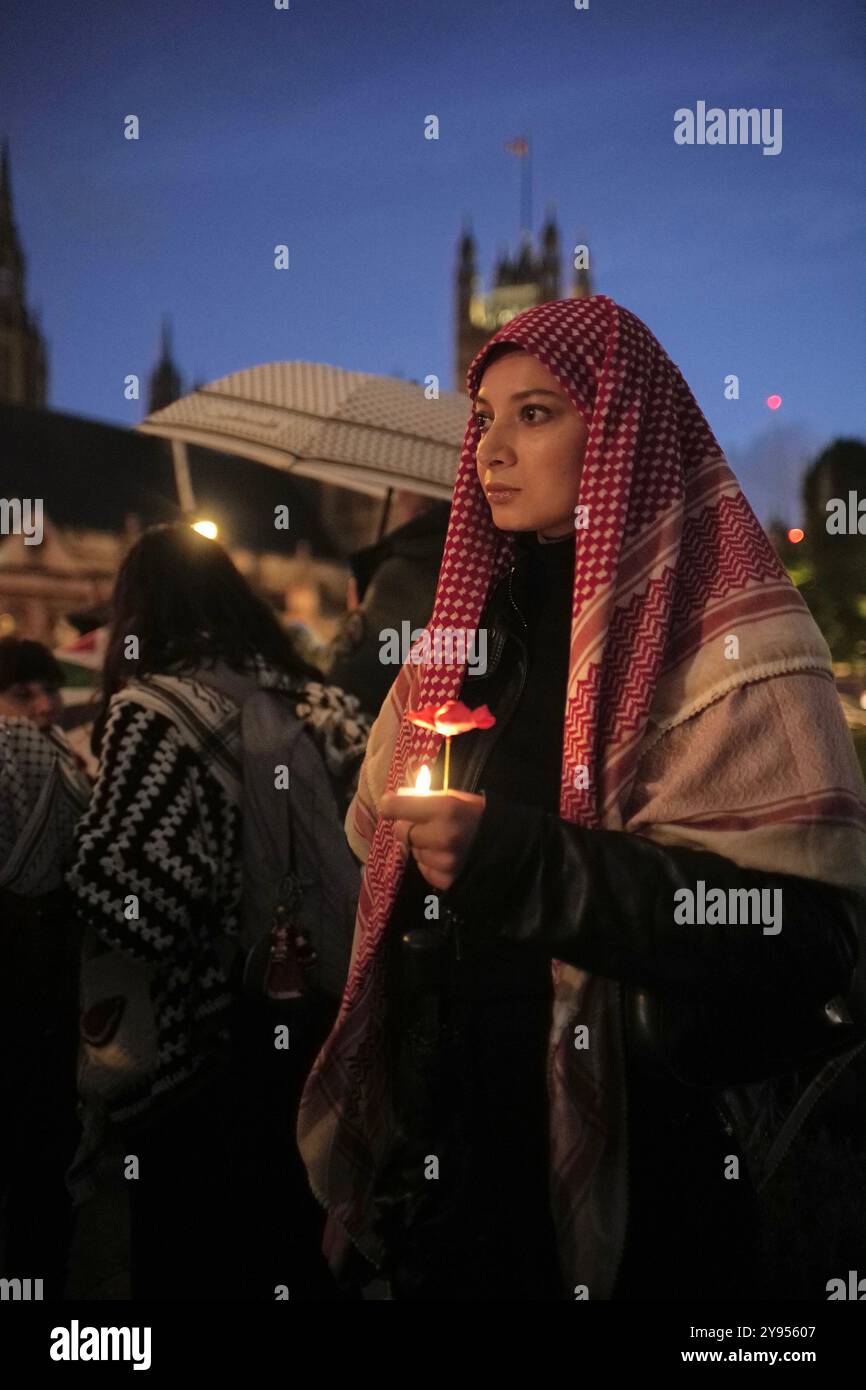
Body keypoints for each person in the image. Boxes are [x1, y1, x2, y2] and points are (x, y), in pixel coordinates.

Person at [297, 295, 866, 1301]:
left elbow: (803, 933)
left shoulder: (732, 644)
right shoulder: (460, 638)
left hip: (646, 1161)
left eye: (534, 414)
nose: (489, 448)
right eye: (482, 418)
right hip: (455, 1156)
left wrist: (523, 861)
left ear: (619, 432)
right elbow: (381, 859)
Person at [66, 524, 370, 1300]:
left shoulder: (155, 711)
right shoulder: (324, 702)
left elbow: (141, 905)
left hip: (205, 1061)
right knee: (302, 1254)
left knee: (196, 1262)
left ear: (137, 614)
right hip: (330, 1034)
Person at [0, 637, 91, 1298]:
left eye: (46, 691)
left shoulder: (64, 763)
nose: (41, 706)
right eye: (20, 694)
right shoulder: (60, 766)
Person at [323, 494, 451, 720]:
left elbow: (371, 658)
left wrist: (357, 619)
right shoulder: (424, 551)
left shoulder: (413, 561)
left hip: (365, 712)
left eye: (405, 492)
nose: (399, 497)